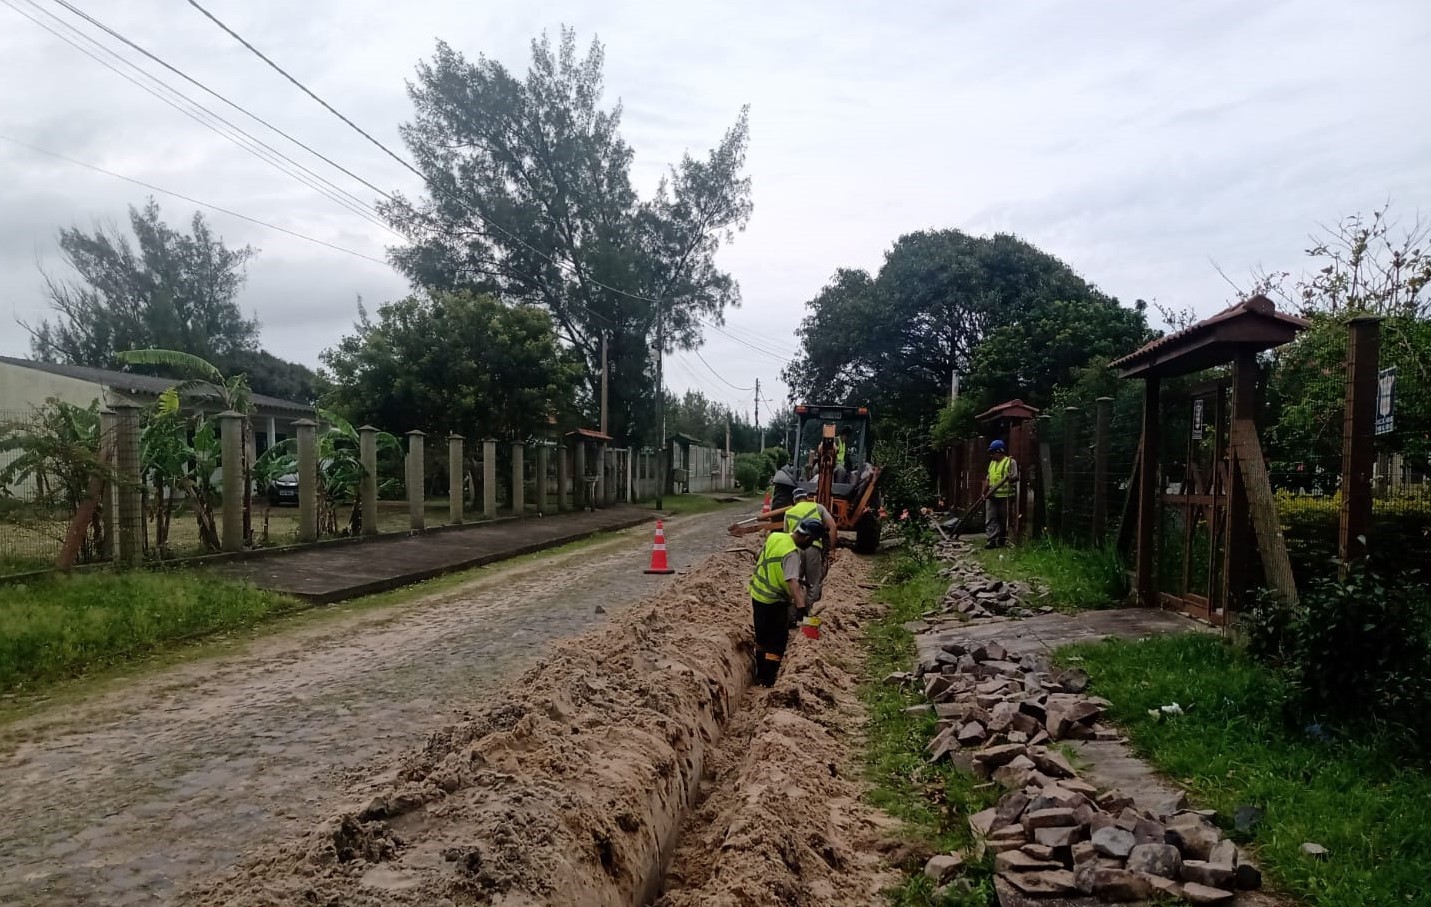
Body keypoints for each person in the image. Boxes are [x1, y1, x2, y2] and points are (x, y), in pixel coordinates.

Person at [747, 517, 827, 686]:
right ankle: (768, 680)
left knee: (761, 638)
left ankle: (759, 674)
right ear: (806, 538)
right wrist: (801, 608)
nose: (811, 544)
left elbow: (765, 559)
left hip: (758, 596)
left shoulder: (776, 537)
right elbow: (792, 581)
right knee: (776, 642)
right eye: (811, 541)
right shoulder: (791, 553)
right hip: (775, 601)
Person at [783, 488, 838, 617]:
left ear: (794, 500)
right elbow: (832, 527)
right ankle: (810, 614)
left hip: (795, 549)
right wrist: (832, 549)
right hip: (814, 548)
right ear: (807, 497)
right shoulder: (818, 507)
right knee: (812, 582)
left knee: (794, 580)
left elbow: (787, 535)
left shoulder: (788, 512)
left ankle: (792, 615)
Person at [984, 439, 1018, 548]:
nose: (991, 455)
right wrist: (984, 492)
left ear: (999, 451)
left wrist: (1009, 478)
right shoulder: (992, 463)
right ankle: (991, 540)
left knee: (1003, 520)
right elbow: (988, 479)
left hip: (1005, 496)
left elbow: (1015, 477)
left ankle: (1002, 539)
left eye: (993, 452)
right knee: (990, 518)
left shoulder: (1010, 462)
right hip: (992, 495)